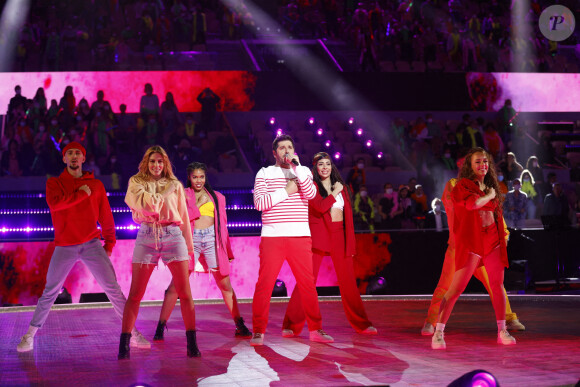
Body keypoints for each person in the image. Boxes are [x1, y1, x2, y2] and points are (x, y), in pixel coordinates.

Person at [16, 142, 150, 353]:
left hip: (91, 244)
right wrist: (80, 194)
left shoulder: (95, 185)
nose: (74, 156)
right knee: (50, 292)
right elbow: (55, 204)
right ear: (64, 159)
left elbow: (106, 215)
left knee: (113, 290)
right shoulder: (55, 183)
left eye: (78, 153)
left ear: (84, 158)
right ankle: (29, 336)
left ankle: (133, 333)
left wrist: (110, 243)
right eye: (69, 153)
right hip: (65, 245)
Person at [421, 161, 524, 336]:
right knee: (445, 285)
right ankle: (431, 321)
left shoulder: (486, 187)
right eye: (473, 164)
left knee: (495, 284)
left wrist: (503, 234)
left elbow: (495, 213)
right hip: (460, 247)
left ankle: (508, 317)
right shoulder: (454, 185)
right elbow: (460, 208)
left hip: (483, 248)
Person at [153, 162, 252, 340]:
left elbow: (223, 227)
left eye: (201, 177)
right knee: (175, 287)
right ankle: (160, 327)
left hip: (212, 240)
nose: (198, 180)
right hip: (191, 242)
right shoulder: (182, 195)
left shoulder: (218, 197)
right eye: (194, 177)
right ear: (189, 178)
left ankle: (240, 324)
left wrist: (228, 252)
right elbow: (173, 215)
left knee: (225, 286)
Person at [282, 152, 377, 336]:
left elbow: (348, 216)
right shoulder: (313, 186)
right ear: (315, 168)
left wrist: (338, 190)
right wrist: (334, 193)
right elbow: (320, 207)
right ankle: (291, 325)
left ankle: (362, 324)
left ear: (332, 166)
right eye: (320, 164)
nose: (325, 167)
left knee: (349, 282)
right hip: (319, 235)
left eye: (328, 164)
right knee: (306, 282)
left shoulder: (343, 187)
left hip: (339, 235)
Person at [251, 134, 333, 346]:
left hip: (300, 236)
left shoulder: (303, 171)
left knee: (307, 284)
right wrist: (287, 191)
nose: (286, 150)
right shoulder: (265, 173)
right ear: (274, 153)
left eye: (289, 147)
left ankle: (316, 329)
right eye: (281, 148)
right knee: (264, 285)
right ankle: (259, 330)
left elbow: (310, 194)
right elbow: (260, 203)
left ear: (294, 150)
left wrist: (297, 169)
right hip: (272, 237)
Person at [120, 145, 199, 359]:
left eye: (160, 162)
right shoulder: (136, 182)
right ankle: (124, 346)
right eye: (153, 161)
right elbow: (150, 207)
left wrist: (189, 249)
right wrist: (164, 193)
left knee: (185, 293)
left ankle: (192, 344)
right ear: (146, 162)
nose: (157, 165)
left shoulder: (176, 184)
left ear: (166, 164)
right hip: (147, 236)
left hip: (173, 235)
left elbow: (182, 216)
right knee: (136, 294)